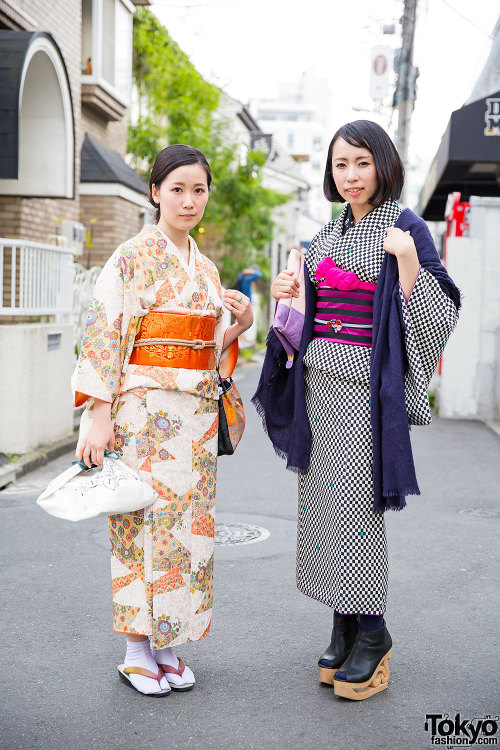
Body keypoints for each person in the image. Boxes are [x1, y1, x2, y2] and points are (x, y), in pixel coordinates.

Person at [253, 120, 460, 701]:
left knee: (357, 511)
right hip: (321, 385)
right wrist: (288, 297)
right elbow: (306, 313)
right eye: (341, 165)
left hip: (367, 389)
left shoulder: (405, 226)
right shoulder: (327, 233)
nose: (351, 176)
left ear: (383, 165)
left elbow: (442, 311)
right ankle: (342, 627)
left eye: (362, 163)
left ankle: (374, 632)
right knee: (323, 507)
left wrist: (411, 267)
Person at [72, 144, 253, 696]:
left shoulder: (206, 267)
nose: (189, 200)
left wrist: (239, 327)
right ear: (155, 193)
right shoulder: (130, 256)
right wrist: (99, 416)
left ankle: (166, 643)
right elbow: (105, 335)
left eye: (198, 189)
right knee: (139, 523)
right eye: (177, 189)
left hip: (194, 418)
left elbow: (206, 346)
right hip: (144, 413)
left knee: (186, 532)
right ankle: (135, 648)